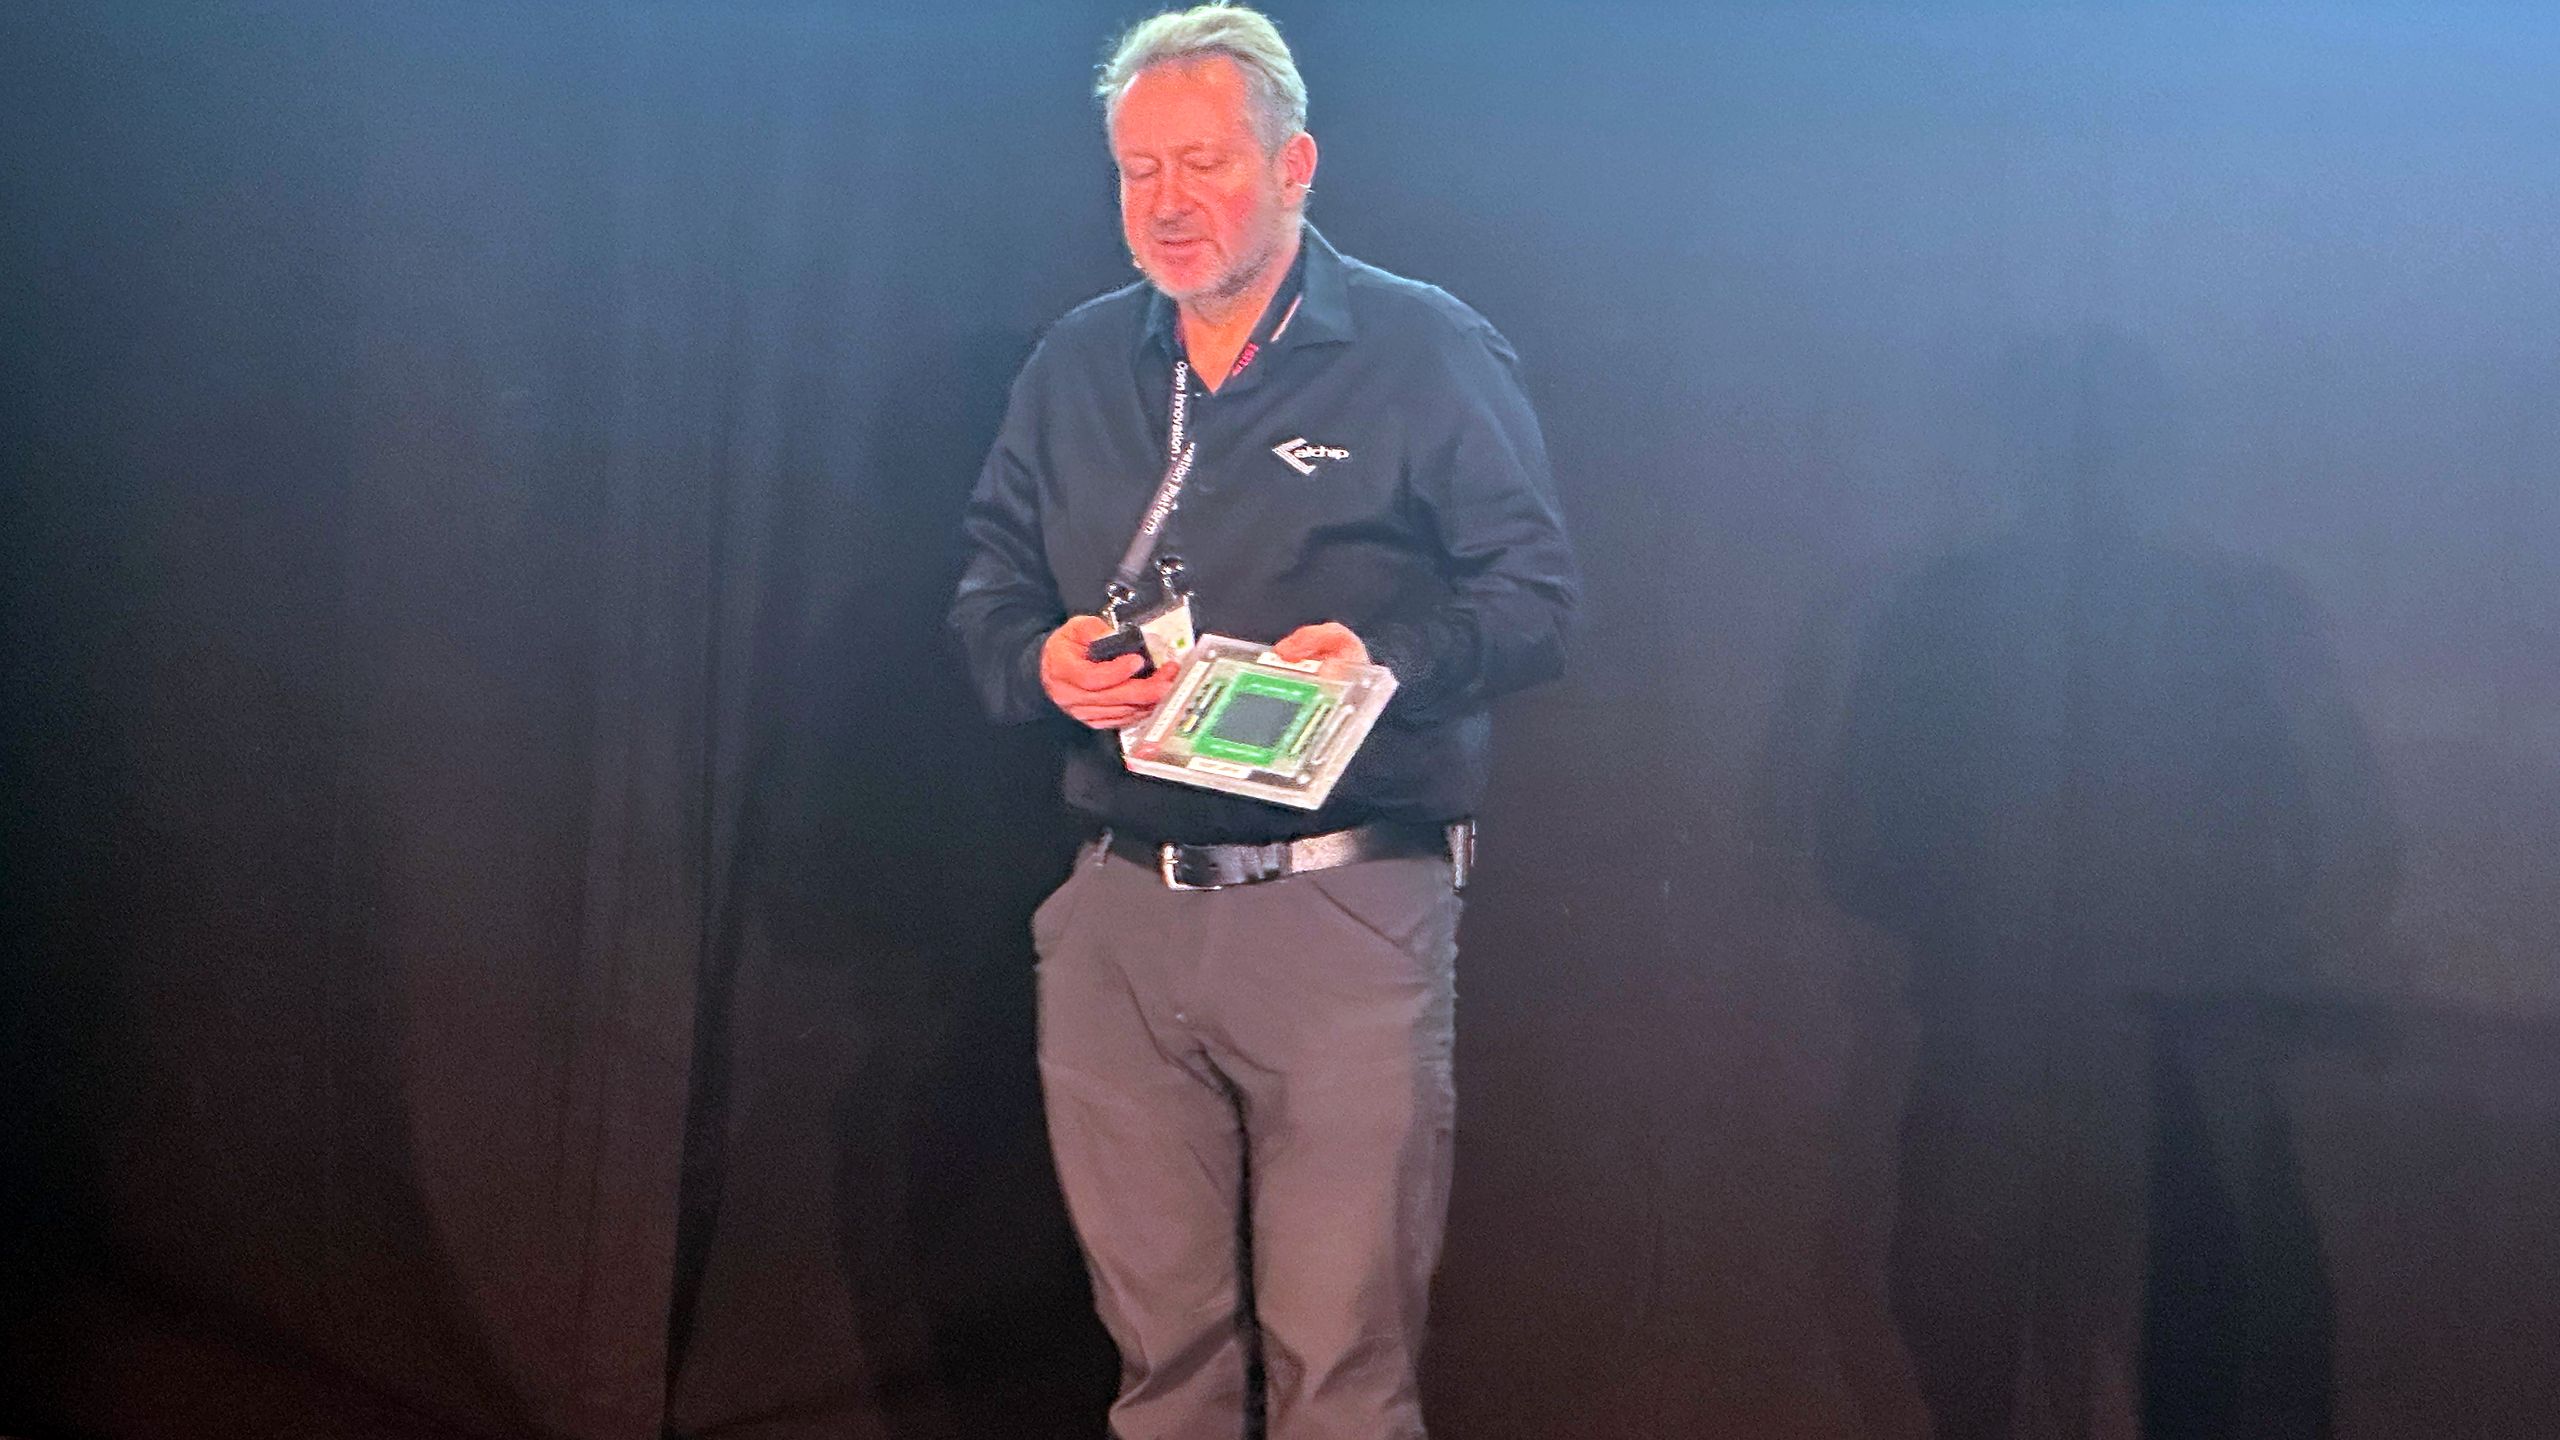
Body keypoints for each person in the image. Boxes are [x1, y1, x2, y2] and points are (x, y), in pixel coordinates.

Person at [946, 6, 1577, 1436]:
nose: (1167, 202)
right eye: (1138, 170)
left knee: (1340, 1368)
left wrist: (1386, 660)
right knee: (1160, 1368)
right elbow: (987, 582)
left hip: (1338, 908)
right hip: (1118, 909)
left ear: (1294, 164)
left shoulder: (1420, 347)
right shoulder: (1078, 362)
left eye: (1205, 164)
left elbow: (1537, 600)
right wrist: (1039, 661)